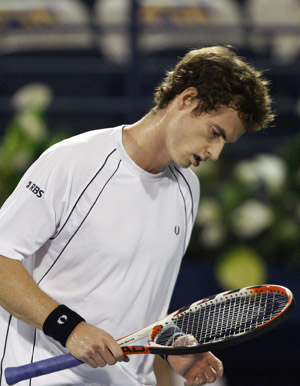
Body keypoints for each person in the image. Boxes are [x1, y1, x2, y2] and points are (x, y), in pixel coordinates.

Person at [0, 46, 274, 386]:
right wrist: (69, 328)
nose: (216, 153)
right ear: (187, 99)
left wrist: (174, 344)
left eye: (225, 143)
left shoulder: (188, 188)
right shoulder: (73, 162)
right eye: (215, 133)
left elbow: (139, 296)